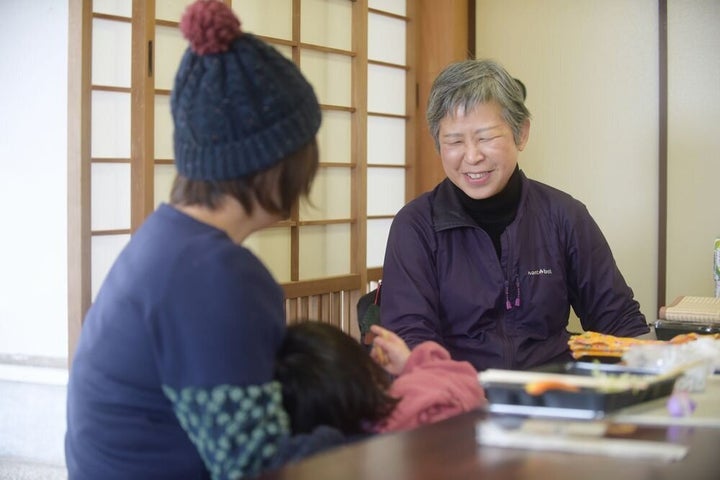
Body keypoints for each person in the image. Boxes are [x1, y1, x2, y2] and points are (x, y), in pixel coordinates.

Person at [65, 1, 344, 478]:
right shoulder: (216, 274)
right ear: (274, 161)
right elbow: (256, 465)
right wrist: (393, 421)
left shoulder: (166, 243)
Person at [380, 59, 650, 372]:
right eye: (454, 141)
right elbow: (410, 343)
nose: (472, 156)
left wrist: (656, 373)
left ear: (520, 134)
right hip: (455, 401)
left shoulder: (564, 216)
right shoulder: (415, 226)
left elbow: (618, 321)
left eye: (486, 137)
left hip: (554, 399)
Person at [274, 322, 486, 435]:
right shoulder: (409, 395)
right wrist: (412, 361)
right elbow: (469, 381)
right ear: (361, 365)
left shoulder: (354, 449)